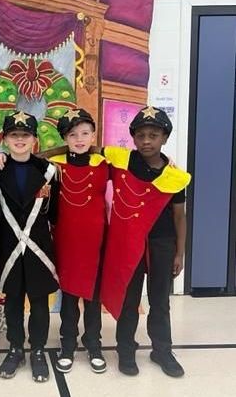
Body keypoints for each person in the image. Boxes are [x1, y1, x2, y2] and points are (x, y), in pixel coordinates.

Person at [98, 107, 191, 377]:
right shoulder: (122, 161)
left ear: (165, 138)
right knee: (129, 299)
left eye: (153, 135)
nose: (147, 141)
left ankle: (162, 350)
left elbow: (179, 216)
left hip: (162, 243)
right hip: (129, 242)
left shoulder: (174, 176)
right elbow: (86, 153)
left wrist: (180, 253)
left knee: (160, 300)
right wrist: (42, 156)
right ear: (133, 138)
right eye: (141, 135)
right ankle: (126, 349)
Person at [0, 111, 59, 383]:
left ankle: (38, 350)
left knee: (40, 302)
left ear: (34, 139)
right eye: (13, 135)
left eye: (25, 135)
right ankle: (15, 348)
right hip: (8, 247)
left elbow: (54, 213)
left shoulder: (49, 171)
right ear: (5, 139)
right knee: (13, 302)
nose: (19, 140)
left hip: (38, 247)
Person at [49, 108, 108, 374]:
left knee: (93, 297)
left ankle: (93, 343)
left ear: (93, 135)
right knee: (70, 296)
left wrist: (167, 160)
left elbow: (137, 166)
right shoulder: (54, 166)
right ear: (65, 138)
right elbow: (27, 161)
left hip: (96, 241)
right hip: (67, 241)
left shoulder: (105, 163)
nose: (80, 139)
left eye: (85, 133)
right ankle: (68, 344)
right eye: (73, 135)